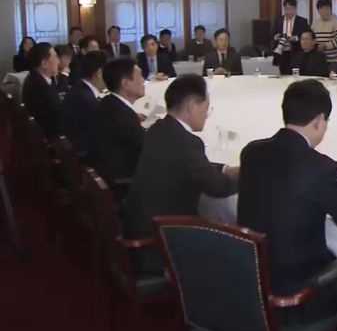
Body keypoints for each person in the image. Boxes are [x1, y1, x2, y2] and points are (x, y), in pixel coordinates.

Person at [237, 79, 337, 331]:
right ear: (319, 120)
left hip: (250, 282)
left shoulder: (251, 152)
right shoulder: (321, 167)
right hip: (297, 295)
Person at [125, 74, 239, 251]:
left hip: (139, 222)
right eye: (206, 107)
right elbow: (219, 188)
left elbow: (192, 166)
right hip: (162, 236)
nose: (207, 114)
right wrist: (251, 173)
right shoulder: (187, 142)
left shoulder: (159, 129)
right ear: (192, 106)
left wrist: (225, 169)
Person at [93, 58, 146, 187]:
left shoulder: (108, 102)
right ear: (125, 83)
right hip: (125, 183)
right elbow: (149, 149)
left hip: (110, 173)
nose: (143, 80)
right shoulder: (123, 117)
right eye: (139, 77)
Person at [61, 51, 106, 158]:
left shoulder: (80, 87)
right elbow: (101, 133)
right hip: (87, 153)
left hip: (79, 146)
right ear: (99, 74)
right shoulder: (86, 99)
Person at [21, 42, 62, 138]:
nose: (58, 61)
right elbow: (59, 116)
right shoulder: (39, 86)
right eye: (55, 57)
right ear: (44, 64)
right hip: (51, 137)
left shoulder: (37, 78)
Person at [273, 0, 309, 74]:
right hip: (282, 52)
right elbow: (273, 33)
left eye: (290, 9)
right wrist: (276, 37)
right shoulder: (279, 20)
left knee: (295, 72)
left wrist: (294, 38)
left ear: (295, 9)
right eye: (286, 9)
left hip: (296, 52)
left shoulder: (302, 21)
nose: (288, 11)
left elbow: (305, 35)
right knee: (283, 74)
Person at [310, 0, 337, 69]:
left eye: (327, 9)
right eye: (322, 10)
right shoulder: (315, 22)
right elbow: (312, 37)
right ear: (318, 11)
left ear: (331, 9)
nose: (325, 12)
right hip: (318, 59)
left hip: (334, 61)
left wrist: (325, 46)